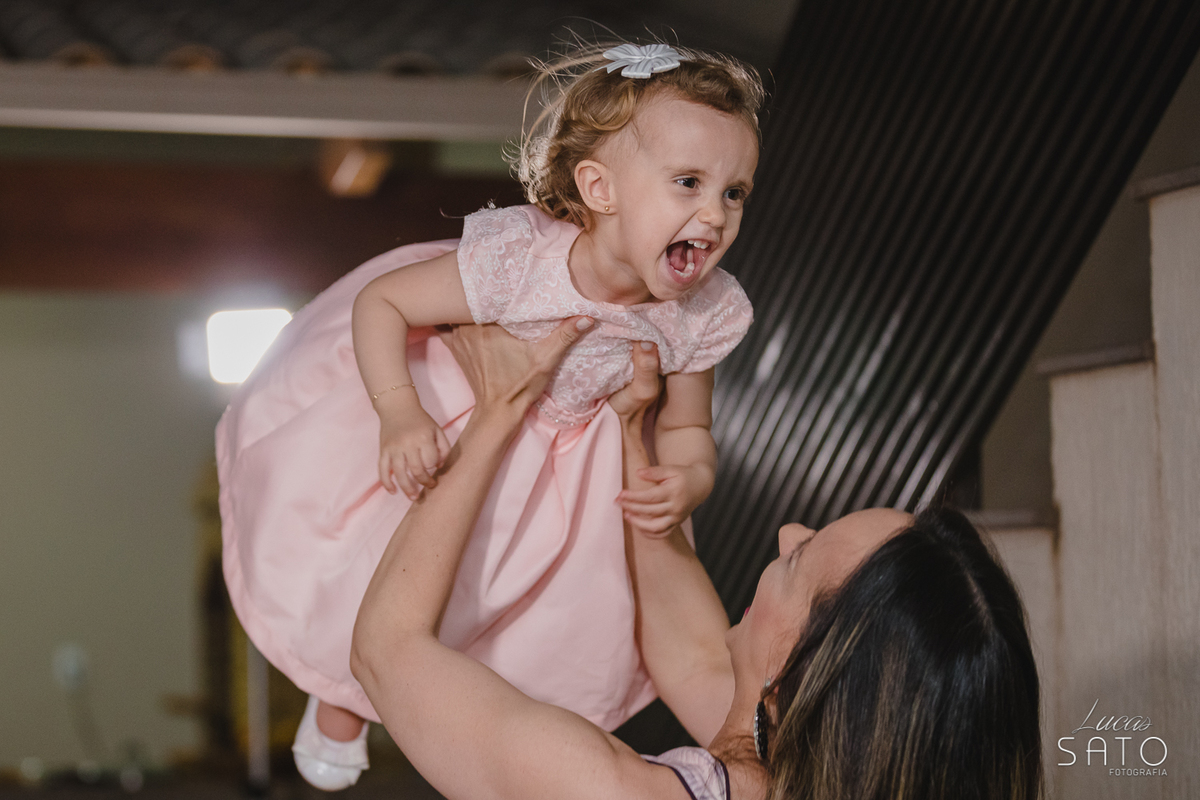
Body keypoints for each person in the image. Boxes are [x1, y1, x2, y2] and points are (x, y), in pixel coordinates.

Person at [215, 41, 763, 788]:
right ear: (600, 188)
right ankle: (336, 696)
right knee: (374, 561)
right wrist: (400, 415)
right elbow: (386, 303)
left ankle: (418, 708)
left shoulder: (700, 313)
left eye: (735, 192)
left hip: (570, 476)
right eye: (689, 183)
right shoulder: (521, 262)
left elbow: (688, 428)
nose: (715, 213)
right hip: (457, 414)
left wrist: (690, 479)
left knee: (493, 605)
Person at [351, 321, 1046, 800]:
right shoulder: (815, 761)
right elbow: (693, 658)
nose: (786, 531)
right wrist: (631, 434)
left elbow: (387, 651)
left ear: (789, 674)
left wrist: (499, 407)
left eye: (800, 559)